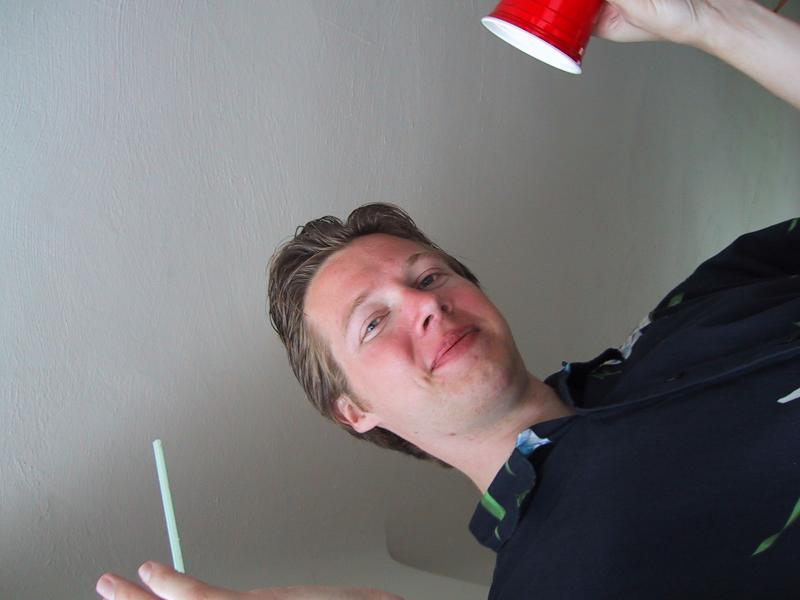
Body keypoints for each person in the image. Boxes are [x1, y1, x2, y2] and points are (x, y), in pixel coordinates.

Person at [96, 1, 800, 598]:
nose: (424, 305)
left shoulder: (708, 299)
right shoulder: (548, 580)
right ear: (354, 411)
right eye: (374, 323)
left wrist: (710, 20)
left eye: (429, 277)